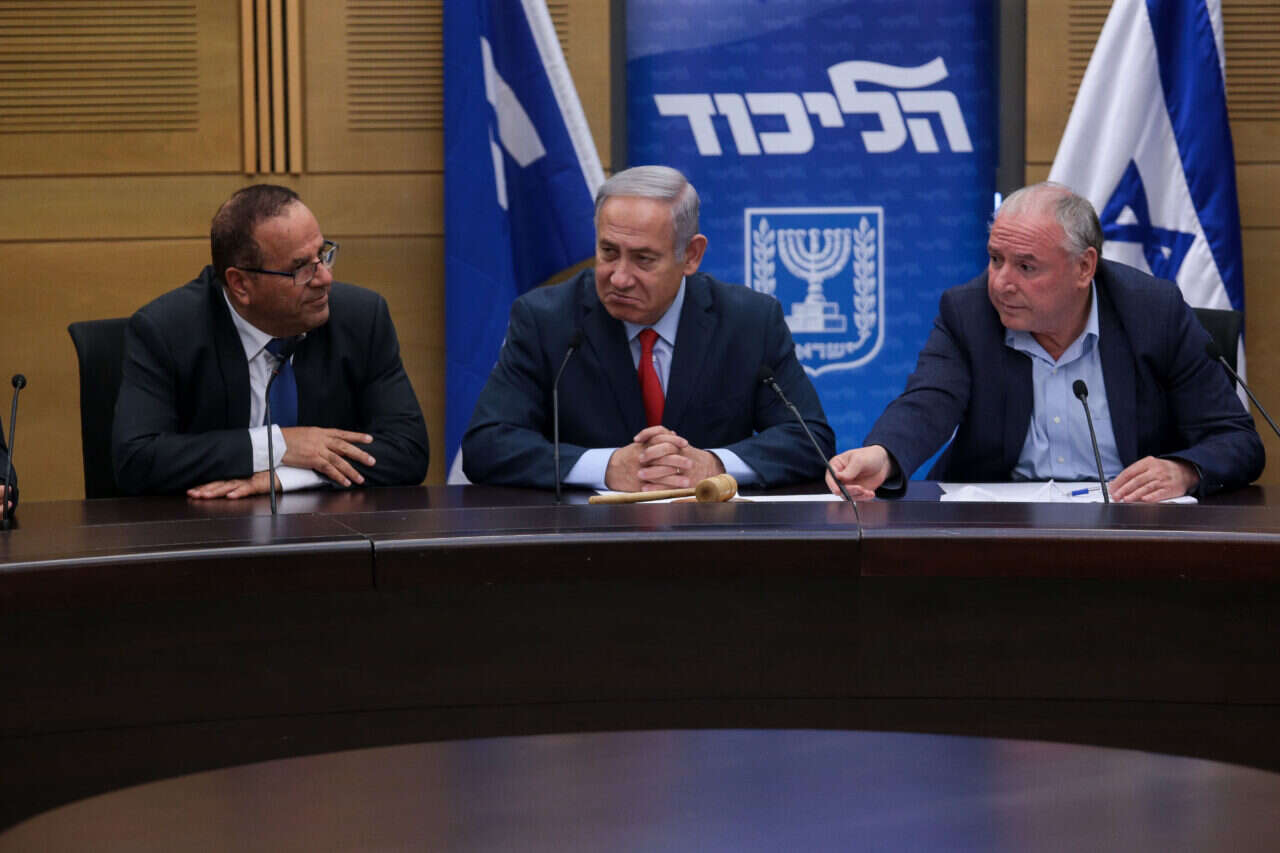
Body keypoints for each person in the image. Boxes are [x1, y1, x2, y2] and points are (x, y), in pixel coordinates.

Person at [827, 182, 1263, 503]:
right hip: (1000, 530)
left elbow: (1236, 440)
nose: (1001, 283)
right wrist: (882, 455)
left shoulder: (1153, 312)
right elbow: (928, 401)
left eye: (1026, 267)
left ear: (1084, 267)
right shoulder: (969, 312)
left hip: (1131, 526)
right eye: (995, 259)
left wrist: (1184, 471)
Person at [462, 165, 834, 491]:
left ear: (691, 255)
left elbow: (810, 440)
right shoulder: (546, 320)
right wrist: (606, 467)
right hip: (585, 539)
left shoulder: (748, 321)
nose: (619, 278)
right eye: (608, 252)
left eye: (643, 259)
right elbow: (487, 445)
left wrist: (712, 465)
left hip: (713, 535)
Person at [112, 185, 429, 498]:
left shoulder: (361, 319)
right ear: (240, 284)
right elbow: (136, 460)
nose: (325, 278)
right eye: (300, 268)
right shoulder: (167, 331)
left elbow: (408, 450)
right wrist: (279, 444)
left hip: (328, 524)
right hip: (209, 525)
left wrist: (288, 476)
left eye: (322, 255)